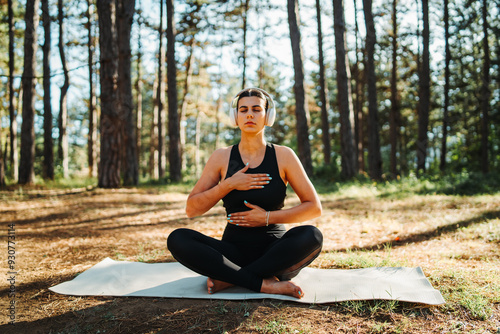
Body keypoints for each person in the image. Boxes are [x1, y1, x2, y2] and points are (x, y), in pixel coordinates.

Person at [167, 87, 323, 298]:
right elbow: (192, 209)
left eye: (257, 109)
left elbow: (314, 207)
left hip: (276, 253)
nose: (250, 114)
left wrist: (267, 218)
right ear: (236, 117)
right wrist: (228, 185)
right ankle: (264, 283)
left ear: (267, 116)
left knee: (312, 235)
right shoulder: (221, 157)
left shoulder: (284, 155)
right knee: (178, 238)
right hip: (233, 252)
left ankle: (231, 278)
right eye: (243, 109)